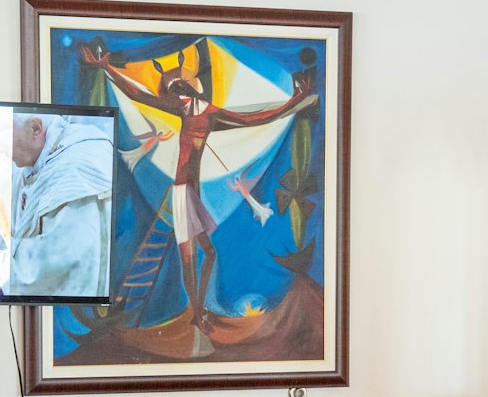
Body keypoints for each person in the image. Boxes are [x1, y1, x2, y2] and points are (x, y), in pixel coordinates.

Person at [81, 44, 317, 331]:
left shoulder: (208, 111)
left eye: (177, 87)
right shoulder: (182, 107)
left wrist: (293, 102)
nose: (176, 92)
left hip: (191, 193)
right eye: (173, 89)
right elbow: (138, 95)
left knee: (206, 255)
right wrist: (107, 69)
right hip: (182, 192)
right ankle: (197, 313)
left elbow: (253, 118)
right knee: (190, 258)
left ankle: (197, 309)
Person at [7, 112, 114, 298]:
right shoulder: (29, 162)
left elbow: (61, 261)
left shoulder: (78, 164)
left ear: (35, 128)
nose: (1, 148)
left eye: (4, 135)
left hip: (74, 313)